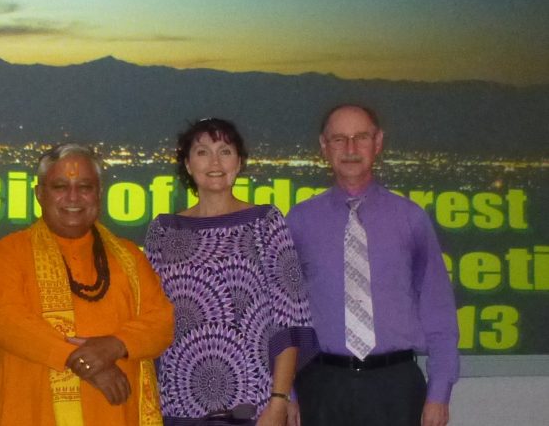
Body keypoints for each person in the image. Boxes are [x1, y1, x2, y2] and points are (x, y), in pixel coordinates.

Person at [286, 104, 459, 426]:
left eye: (360, 137)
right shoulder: (300, 221)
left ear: (378, 142)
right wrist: (288, 394)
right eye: (339, 139)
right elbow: (283, 315)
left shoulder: (411, 218)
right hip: (322, 386)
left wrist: (439, 393)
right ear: (324, 147)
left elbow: (439, 313)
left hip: (395, 387)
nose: (350, 148)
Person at [0, 143, 174, 426]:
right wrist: (83, 362)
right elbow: (6, 321)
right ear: (39, 194)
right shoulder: (9, 252)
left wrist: (114, 346)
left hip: (115, 414)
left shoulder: (130, 256)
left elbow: (161, 323)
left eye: (84, 187)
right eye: (60, 186)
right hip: (34, 413)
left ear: (99, 194)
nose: (73, 197)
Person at [143, 118, 316, 426]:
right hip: (178, 405)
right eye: (202, 152)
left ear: (238, 162)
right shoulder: (164, 231)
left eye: (224, 151)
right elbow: (149, 319)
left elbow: (290, 321)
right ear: (187, 163)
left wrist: (279, 400)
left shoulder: (265, 222)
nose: (214, 162)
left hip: (252, 406)